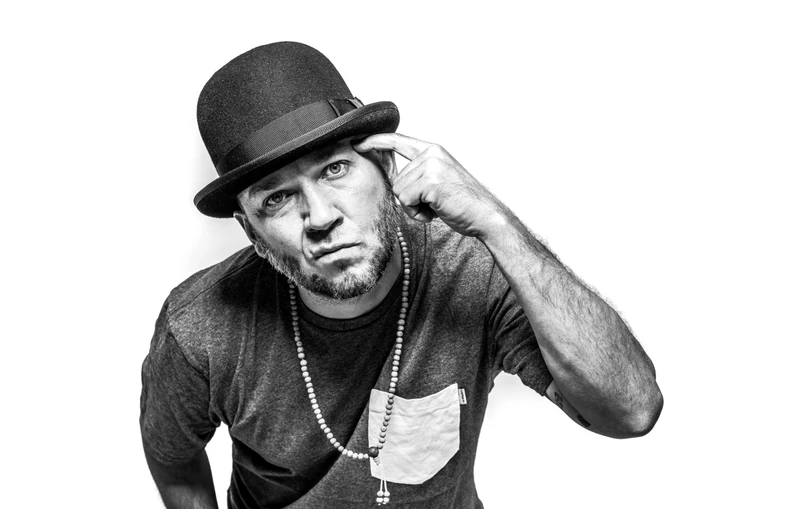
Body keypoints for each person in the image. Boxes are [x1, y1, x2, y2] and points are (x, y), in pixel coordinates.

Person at [140, 42, 663, 509]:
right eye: (277, 198)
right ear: (251, 231)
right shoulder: (200, 324)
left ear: (386, 166)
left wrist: (496, 222)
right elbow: (172, 454)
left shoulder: (472, 271)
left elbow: (632, 411)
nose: (320, 217)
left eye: (334, 169)